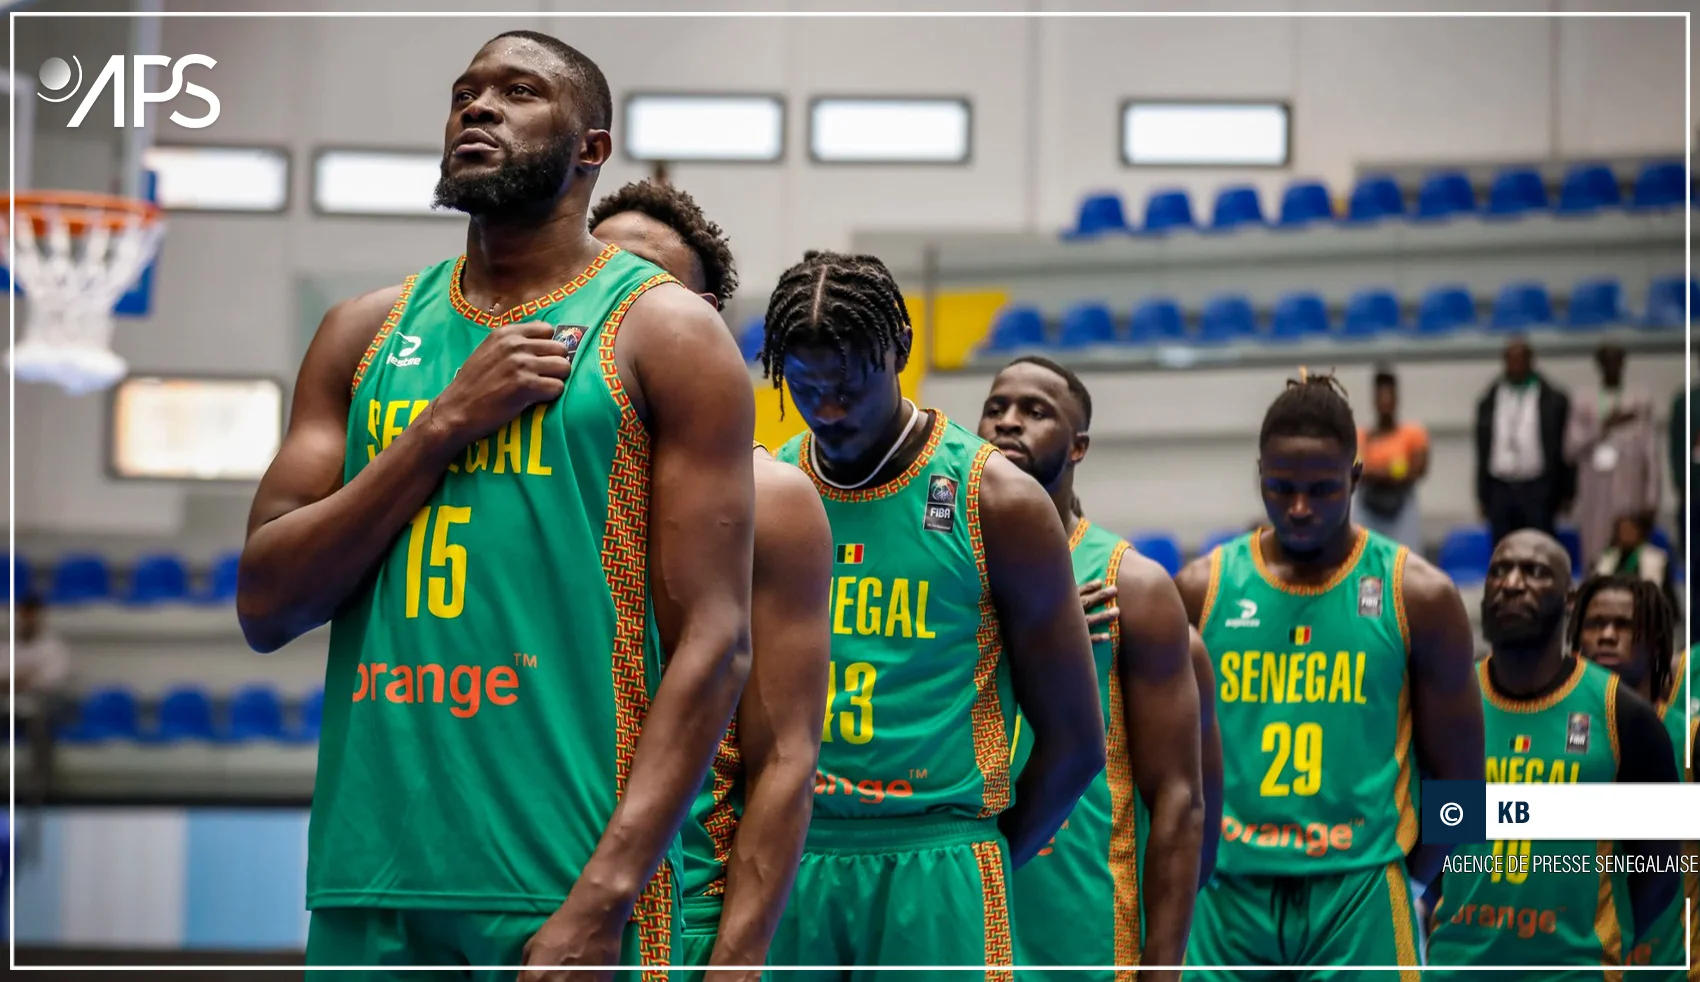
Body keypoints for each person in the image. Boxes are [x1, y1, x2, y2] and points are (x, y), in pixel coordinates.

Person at [237, 33, 758, 979]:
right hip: (369, 872)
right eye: (465, 93)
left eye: (519, 93)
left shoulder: (665, 331)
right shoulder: (362, 331)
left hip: (561, 878)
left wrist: (607, 895)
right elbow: (267, 604)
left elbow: (716, 643)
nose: (478, 108)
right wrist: (441, 427)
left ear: (591, 149)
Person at [758, 250, 1105, 976]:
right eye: (804, 385)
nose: (826, 409)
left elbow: (1076, 741)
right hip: (791, 846)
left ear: (900, 354)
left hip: (938, 855)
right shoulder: (768, 488)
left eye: (849, 386)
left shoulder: (997, 500)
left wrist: (983, 862)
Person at [589, 180, 835, 978]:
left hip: (675, 910)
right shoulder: (508, 467)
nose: (618, 302)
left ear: (707, 322)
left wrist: (736, 960)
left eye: (649, 285)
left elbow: (786, 757)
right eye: (600, 275)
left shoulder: (775, 501)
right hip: (504, 883)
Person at [1175, 369, 1485, 980]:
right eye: (1280, 487)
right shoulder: (1200, 590)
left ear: (1356, 478)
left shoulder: (1419, 596)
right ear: (1258, 475)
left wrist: (1405, 878)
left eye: (1321, 490)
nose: (1298, 507)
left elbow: (1463, 783)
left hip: (1361, 891)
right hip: (1226, 896)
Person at [977, 356, 1215, 982]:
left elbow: (1181, 801)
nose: (1008, 424)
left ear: (1079, 445)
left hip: (1083, 936)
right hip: (960, 915)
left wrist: (1162, 970)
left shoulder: (1131, 586)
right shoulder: (950, 569)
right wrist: (1036, 636)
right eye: (996, 408)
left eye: (1035, 412)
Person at [1425, 534, 1679, 980]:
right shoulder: (1451, 702)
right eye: (1499, 571)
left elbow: (1661, 868)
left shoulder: (1622, 714)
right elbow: (1427, 835)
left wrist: (1597, 942)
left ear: (1568, 598)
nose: (1513, 584)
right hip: (1457, 968)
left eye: (1535, 572)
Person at [1570, 572, 1687, 976]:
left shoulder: (1690, 737)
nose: (1606, 635)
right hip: (1580, 963)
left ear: (1655, 638)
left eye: (1623, 626)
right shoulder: (1551, 732)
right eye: (1594, 624)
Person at [1566, 342, 1662, 568]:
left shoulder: (1639, 400)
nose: (1612, 366)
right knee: (1596, 554)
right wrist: (1603, 425)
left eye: (1616, 360)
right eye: (1606, 361)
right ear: (1599, 365)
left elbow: (1651, 454)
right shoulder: (1584, 400)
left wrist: (1652, 497)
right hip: (1595, 494)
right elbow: (1570, 449)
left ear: (1623, 364)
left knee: (1631, 555)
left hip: (1631, 491)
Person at [1475, 338, 1575, 547]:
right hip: (1500, 487)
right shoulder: (1490, 398)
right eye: (1511, 359)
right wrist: (1482, 494)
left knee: (1539, 549)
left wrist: (1567, 491)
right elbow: (1482, 449)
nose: (1516, 364)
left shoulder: (1553, 399)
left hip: (1537, 487)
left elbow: (1564, 449)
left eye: (1521, 359)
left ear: (1531, 361)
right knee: (1503, 550)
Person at [11, 594, 69, 860]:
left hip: (38, 706)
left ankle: (39, 793)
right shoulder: (8, 645)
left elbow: (50, 679)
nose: (27, 618)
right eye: (24, 613)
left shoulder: (52, 646)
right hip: (9, 705)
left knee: (42, 722)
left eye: (31, 613)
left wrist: (23, 678)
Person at [1354, 366, 1429, 550]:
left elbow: (1417, 469)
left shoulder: (1414, 434)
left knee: (1405, 562)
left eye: (1390, 397)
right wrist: (1393, 470)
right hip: (1368, 508)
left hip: (1402, 509)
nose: (1385, 403)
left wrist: (1376, 470)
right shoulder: (1361, 435)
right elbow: (1355, 471)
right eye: (1381, 398)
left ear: (1397, 399)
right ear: (1374, 401)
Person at [1592, 510, 1678, 618]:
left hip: (1643, 608)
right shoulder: (1607, 557)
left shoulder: (1655, 558)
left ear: (1639, 532)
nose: (1625, 534)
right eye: (1622, 531)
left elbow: (1658, 591)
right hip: (1611, 605)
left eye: (1629, 530)